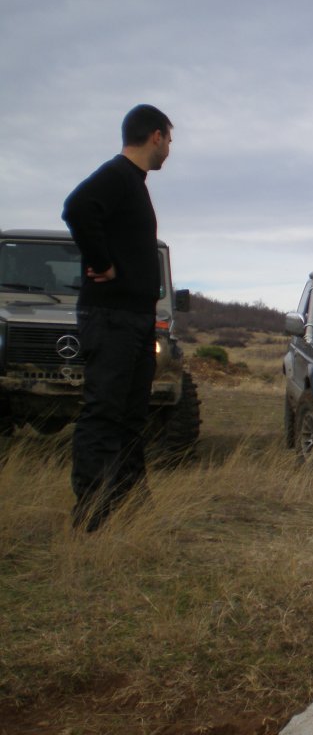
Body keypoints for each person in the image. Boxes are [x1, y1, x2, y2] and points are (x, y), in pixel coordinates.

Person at [62, 104, 173, 531]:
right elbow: (77, 207)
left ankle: (129, 507)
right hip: (111, 317)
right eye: (169, 140)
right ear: (156, 136)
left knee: (130, 417)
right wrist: (102, 263)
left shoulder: (133, 183)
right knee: (105, 413)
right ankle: (92, 515)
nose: (169, 150)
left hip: (134, 318)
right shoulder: (117, 175)